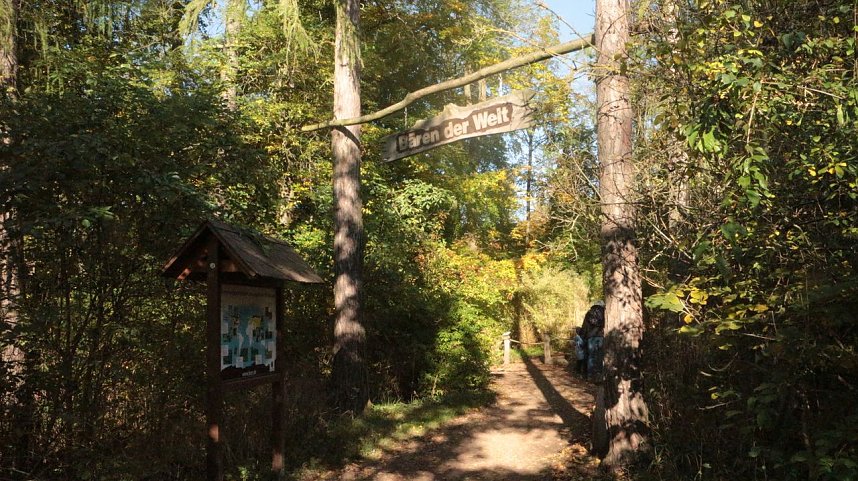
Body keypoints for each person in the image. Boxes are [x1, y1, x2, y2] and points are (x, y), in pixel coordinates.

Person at [583, 301, 605, 381]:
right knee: (600, 356)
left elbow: (585, 325)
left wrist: (584, 335)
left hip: (590, 337)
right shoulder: (604, 311)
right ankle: (599, 376)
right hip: (600, 336)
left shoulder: (589, 312)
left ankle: (590, 376)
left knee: (591, 356)